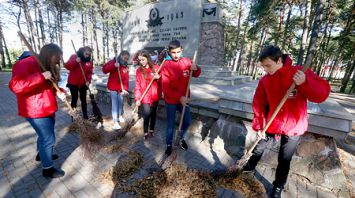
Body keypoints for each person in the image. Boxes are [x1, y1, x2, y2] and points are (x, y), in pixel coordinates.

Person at [243, 45, 330, 198]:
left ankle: (278, 186)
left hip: (293, 126)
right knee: (258, 147)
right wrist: (260, 126)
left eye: (268, 65)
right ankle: (248, 168)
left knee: (284, 159)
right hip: (271, 123)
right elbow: (259, 103)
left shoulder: (299, 73)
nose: (265, 69)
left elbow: (322, 94)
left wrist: (305, 82)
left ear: (279, 60)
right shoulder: (265, 80)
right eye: (263, 66)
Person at [9, 43, 66, 178]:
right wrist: (40, 76)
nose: (59, 60)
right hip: (35, 109)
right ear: (50, 54)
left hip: (48, 106)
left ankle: (42, 154)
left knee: (45, 136)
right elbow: (16, 86)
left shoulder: (45, 64)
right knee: (48, 138)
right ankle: (48, 169)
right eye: (57, 57)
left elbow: (50, 85)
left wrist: (60, 92)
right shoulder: (24, 64)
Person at [161, 40, 201, 156]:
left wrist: (196, 68)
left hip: (184, 100)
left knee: (187, 120)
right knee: (170, 123)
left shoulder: (187, 61)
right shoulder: (166, 66)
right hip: (171, 100)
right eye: (173, 52)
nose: (176, 55)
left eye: (178, 52)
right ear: (169, 52)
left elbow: (197, 74)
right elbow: (166, 88)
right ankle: (169, 144)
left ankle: (180, 138)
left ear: (181, 49)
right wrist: (179, 97)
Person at [134, 50, 161, 140]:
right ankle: (145, 132)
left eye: (143, 60)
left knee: (153, 114)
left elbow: (163, 82)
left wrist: (159, 78)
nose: (141, 62)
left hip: (154, 95)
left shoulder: (156, 68)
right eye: (140, 60)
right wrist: (138, 98)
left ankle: (151, 130)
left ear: (148, 58)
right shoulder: (139, 71)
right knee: (147, 114)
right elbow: (137, 85)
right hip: (144, 97)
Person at [102, 51, 130, 130]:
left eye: (127, 59)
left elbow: (126, 78)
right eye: (124, 58)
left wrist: (125, 89)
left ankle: (120, 116)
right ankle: (115, 122)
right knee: (115, 104)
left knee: (120, 103)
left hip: (121, 88)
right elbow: (104, 70)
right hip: (113, 87)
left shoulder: (125, 66)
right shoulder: (114, 61)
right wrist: (114, 66)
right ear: (121, 56)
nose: (125, 60)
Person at [65, 46, 93, 120]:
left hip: (83, 83)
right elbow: (67, 66)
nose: (87, 55)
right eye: (86, 53)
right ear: (83, 51)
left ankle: (85, 116)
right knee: (74, 99)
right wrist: (75, 61)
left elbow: (89, 72)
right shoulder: (75, 56)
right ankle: (73, 115)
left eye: (89, 54)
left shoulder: (89, 61)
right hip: (73, 83)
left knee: (83, 99)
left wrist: (88, 80)